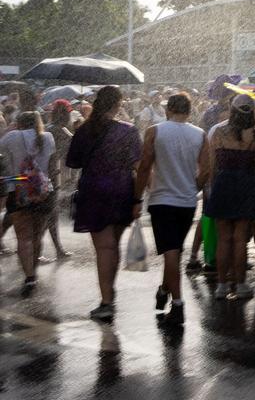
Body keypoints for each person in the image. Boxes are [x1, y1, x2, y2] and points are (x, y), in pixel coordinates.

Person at [133, 92, 209, 326]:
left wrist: (136, 198)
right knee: (173, 253)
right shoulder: (200, 135)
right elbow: (206, 170)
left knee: (171, 253)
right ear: (189, 111)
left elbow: (145, 166)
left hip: (161, 201)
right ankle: (165, 290)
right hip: (187, 203)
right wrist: (191, 187)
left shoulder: (155, 131)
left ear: (168, 110)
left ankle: (178, 306)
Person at [66, 85, 142, 323]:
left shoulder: (84, 130)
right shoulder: (128, 131)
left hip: (94, 189)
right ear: (119, 105)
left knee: (104, 248)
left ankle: (106, 300)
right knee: (113, 245)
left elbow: (74, 163)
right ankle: (110, 292)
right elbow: (139, 167)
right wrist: (139, 198)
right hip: (122, 189)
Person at [205, 94, 255, 299]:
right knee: (240, 239)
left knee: (224, 238)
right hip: (245, 185)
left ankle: (222, 286)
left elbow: (212, 165)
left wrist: (212, 187)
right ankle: (240, 285)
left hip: (223, 184)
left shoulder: (219, 132)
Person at [0, 111, 56, 296]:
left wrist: (8, 129)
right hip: (43, 192)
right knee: (37, 236)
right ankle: (34, 270)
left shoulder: (12, 136)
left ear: (19, 123)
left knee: (24, 238)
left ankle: (29, 277)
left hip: (18, 191)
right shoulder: (48, 137)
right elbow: (52, 166)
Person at [44, 99, 74, 258]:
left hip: (46, 174)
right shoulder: (61, 131)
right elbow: (74, 147)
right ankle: (46, 249)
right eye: (69, 113)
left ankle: (57, 248)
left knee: (50, 214)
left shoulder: (49, 128)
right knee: (49, 214)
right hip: (51, 176)